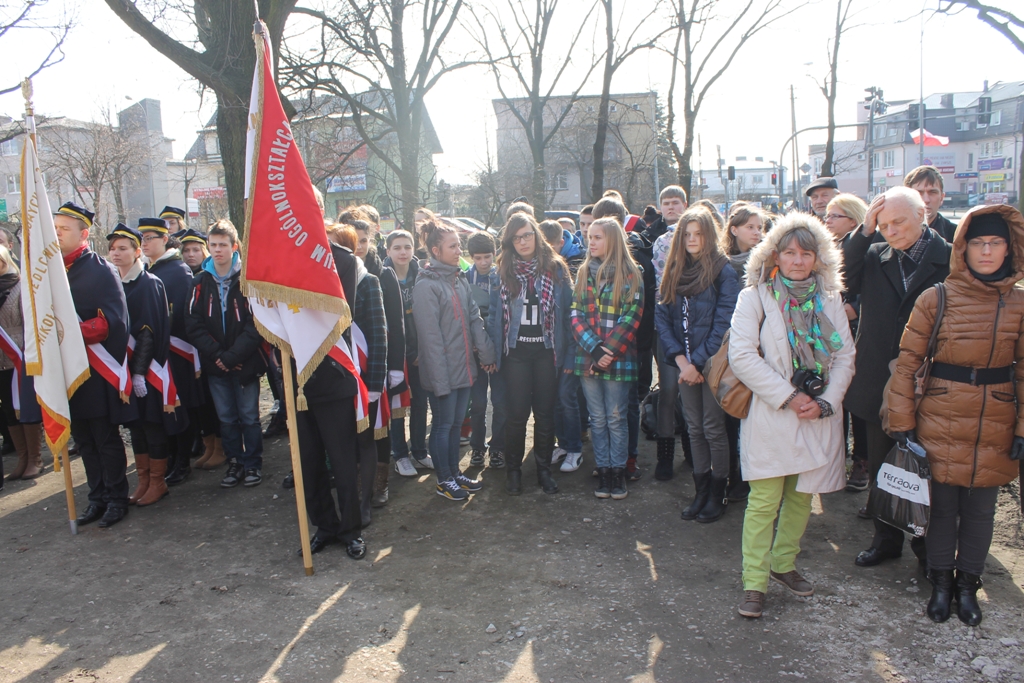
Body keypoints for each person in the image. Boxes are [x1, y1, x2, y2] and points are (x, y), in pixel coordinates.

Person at [887, 205, 1024, 626]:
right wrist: (902, 422)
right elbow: (907, 364)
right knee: (942, 509)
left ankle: (968, 585)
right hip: (941, 415)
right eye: (979, 243)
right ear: (964, 247)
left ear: (1009, 248)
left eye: (996, 242)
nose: (987, 251)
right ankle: (941, 582)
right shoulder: (937, 298)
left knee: (982, 511)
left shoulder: (1019, 303)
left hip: (996, 419)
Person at [729, 213, 856, 618]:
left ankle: (783, 565)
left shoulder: (830, 298)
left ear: (819, 258)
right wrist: (789, 396)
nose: (798, 261)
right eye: (789, 253)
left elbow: (845, 356)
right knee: (764, 501)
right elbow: (742, 355)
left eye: (806, 254)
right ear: (775, 256)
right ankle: (754, 582)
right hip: (774, 413)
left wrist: (825, 401)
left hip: (815, 416)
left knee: (802, 498)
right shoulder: (755, 296)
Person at [843, 187, 952, 568]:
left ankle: (927, 549)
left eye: (899, 223)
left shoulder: (949, 258)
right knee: (882, 466)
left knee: (929, 470)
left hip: (929, 382)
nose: (891, 231)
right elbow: (843, 276)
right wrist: (864, 231)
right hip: (878, 379)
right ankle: (886, 539)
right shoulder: (875, 253)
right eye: (884, 225)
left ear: (922, 214)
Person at [56, 202, 137, 528]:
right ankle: (97, 497)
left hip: (97, 371)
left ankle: (117, 498)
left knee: (104, 439)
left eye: (64, 229)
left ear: (83, 233)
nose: (57, 234)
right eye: (55, 228)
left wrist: (70, 333)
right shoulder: (51, 271)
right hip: (68, 372)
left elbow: (114, 323)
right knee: (84, 440)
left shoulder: (100, 270)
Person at [656, 206, 740, 522]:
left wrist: (697, 362)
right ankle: (700, 491)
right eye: (686, 234)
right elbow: (662, 318)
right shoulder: (673, 269)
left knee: (713, 427)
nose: (692, 239)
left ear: (710, 236)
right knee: (694, 427)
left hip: (713, 366)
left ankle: (718, 493)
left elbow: (724, 323)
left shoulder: (723, 271)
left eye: (698, 234)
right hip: (685, 365)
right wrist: (681, 360)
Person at [292, 233, 368, 560]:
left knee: (342, 461)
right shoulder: (282, 256)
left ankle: (351, 530)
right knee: (309, 463)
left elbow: (340, 312)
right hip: (297, 380)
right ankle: (324, 526)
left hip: (332, 375)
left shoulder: (342, 259)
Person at [413, 223, 497, 501]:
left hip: (463, 368)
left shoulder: (458, 280)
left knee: (455, 423)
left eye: (458, 245)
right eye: (453, 246)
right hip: (442, 372)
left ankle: (454, 473)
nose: (459, 250)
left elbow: (474, 319)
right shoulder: (426, 286)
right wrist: (440, 381)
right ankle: (444, 479)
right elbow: (431, 340)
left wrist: (486, 353)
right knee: (443, 425)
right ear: (435, 251)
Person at [492, 213, 572, 495]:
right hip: (515, 354)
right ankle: (513, 471)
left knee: (545, 414)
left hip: (546, 353)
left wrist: (570, 355)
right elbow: (494, 317)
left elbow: (568, 315)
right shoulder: (502, 271)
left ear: (536, 235)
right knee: (516, 415)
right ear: (510, 243)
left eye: (527, 235)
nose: (523, 242)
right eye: (516, 238)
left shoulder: (556, 269)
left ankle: (543, 471)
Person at [185, 220, 268, 489]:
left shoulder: (248, 280)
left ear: (234, 247)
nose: (218, 250)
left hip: (244, 363)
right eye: (213, 245)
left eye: (223, 244)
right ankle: (235, 462)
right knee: (226, 418)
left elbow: (256, 323)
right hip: (216, 365)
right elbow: (193, 324)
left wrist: (233, 356)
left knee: (249, 416)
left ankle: (253, 463)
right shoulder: (199, 282)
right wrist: (219, 356)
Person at [108, 222, 180, 507]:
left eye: (122, 248)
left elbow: (148, 332)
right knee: (135, 426)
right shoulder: (113, 282)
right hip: (124, 369)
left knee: (152, 425)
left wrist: (138, 373)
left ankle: (158, 482)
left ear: (137, 251)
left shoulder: (148, 283)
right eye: (112, 249)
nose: (116, 253)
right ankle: (143, 480)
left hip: (147, 369)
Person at [571, 217, 644, 499]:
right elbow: (575, 313)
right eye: (589, 236)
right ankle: (603, 470)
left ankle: (618, 472)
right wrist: (595, 349)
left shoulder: (631, 273)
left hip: (618, 359)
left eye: (597, 237)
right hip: (588, 357)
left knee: (616, 417)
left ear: (612, 240)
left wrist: (607, 351)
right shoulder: (583, 272)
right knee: (597, 418)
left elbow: (631, 317)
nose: (590, 241)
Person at [591, 195, 654, 480]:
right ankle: (609, 460)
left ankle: (628, 459)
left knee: (626, 408)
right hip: (600, 347)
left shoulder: (637, 257)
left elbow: (642, 308)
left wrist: (627, 345)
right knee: (605, 412)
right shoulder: (590, 266)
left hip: (631, 344)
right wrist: (597, 349)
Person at [328, 222, 387, 526]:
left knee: (364, 440)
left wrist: (375, 384)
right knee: (341, 443)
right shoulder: (321, 283)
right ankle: (346, 500)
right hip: (333, 378)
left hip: (363, 377)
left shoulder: (368, 282)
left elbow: (378, 334)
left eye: (334, 245)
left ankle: (364, 501)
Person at [140, 217, 203, 487]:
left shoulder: (178, 271)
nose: (144, 243)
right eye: (142, 239)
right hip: (155, 354)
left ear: (165, 239)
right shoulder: (149, 269)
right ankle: (171, 458)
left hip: (176, 352)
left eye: (149, 238)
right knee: (164, 409)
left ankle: (182, 462)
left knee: (178, 406)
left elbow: (182, 315)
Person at [349, 212, 406, 508]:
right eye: (353, 240)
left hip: (376, 363)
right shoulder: (337, 270)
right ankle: (357, 478)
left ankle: (380, 481)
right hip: (348, 364)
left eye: (364, 240)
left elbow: (396, 323)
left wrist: (395, 366)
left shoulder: (382, 273)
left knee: (378, 424)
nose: (359, 246)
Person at [823, 194, 871, 494]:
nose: (827, 220)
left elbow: (872, 286)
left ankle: (861, 461)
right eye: (827, 215)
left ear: (854, 220)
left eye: (834, 215)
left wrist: (856, 307)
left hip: (859, 333)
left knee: (858, 402)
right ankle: (835, 459)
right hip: (832, 333)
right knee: (833, 397)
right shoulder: (831, 247)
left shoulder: (867, 247)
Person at [174, 228, 225, 470]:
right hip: (193, 349)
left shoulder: (207, 277)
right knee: (201, 402)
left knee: (216, 402)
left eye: (196, 249)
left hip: (211, 349)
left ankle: (221, 446)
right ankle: (208, 445)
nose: (190, 254)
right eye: (186, 250)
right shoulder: (185, 276)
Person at [385, 229, 433, 475]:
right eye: (397, 247)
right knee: (397, 406)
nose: (402, 252)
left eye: (407, 247)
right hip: (395, 355)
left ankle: (419, 452)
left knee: (420, 403)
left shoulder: (422, 275)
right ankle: (400, 455)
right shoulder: (382, 277)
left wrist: (420, 350)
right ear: (388, 251)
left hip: (420, 354)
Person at [538, 220, 584, 470]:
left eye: (550, 245)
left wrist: (571, 354)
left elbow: (571, 316)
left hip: (567, 350)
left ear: (560, 243)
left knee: (567, 397)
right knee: (554, 399)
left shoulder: (561, 272)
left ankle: (575, 448)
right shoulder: (535, 270)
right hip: (548, 352)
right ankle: (563, 444)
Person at [0, 245, 44, 483]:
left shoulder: (20, 286)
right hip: (1, 358)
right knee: (8, 408)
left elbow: (31, 321)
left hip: (19, 355)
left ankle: (35, 459)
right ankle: (22, 457)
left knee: (25, 407)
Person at [465, 231, 506, 470]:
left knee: (500, 402)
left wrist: (493, 351)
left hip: (499, 350)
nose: (483, 262)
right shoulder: (463, 278)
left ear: (495, 253)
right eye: (478, 258)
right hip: (475, 351)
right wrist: (478, 347)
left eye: (487, 257)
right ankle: (477, 448)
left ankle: (498, 447)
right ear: (471, 257)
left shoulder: (501, 277)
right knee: (478, 403)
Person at [904, 165, 956, 243]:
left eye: (932, 192)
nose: (926, 200)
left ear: (941, 198)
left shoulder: (957, 235)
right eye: (919, 193)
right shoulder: (890, 234)